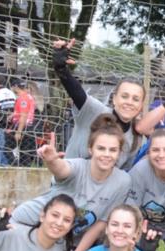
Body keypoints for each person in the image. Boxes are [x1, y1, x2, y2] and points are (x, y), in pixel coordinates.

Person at [13, 119, 132, 251]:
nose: (106, 154)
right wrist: (51, 160)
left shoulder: (122, 181)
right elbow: (62, 169)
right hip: (36, 227)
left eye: (112, 150)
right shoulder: (78, 167)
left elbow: (101, 223)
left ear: (119, 153)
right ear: (90, 149)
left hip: (73, 239)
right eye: (101, 148)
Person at [52, 38, 150, 169]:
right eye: (124, 96)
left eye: (136, 99)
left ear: (141, 105)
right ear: (114, 98)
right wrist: (61, 68)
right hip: (70, 185)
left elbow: (123, 173)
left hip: (102, 189)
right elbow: (76, 92)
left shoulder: (135, 137)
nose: (129, 102)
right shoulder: (96, 111)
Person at [8, 78, 36, 167]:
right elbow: (25, 110)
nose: (11, 89)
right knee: (25, 150)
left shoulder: (22, 98)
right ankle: (23, 167)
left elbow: (23, 115)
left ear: (15, 87)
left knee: (6, 146)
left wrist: (19, 132)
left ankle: (16, 165)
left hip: (22, 126)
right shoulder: (29, 97)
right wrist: (13, 114)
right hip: (28, 125)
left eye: (11, 87)